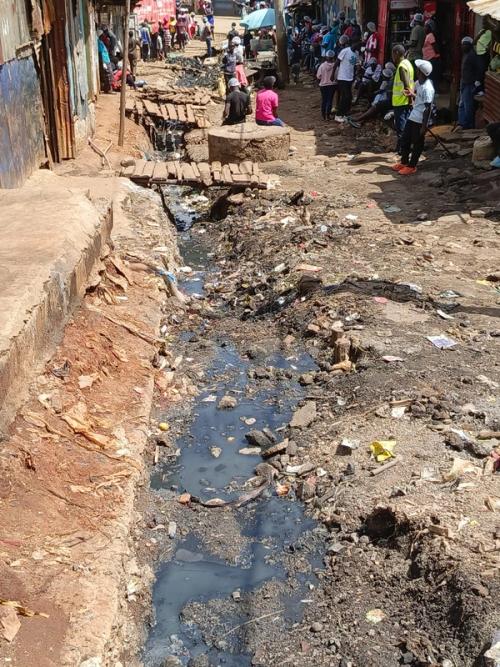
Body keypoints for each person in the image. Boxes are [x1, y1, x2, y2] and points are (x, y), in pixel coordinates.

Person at [393, 59, 434, 175]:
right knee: (405, 139)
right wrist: (412, 94)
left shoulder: (427, 88)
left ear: (421, 72)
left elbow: (428, 108)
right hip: (413, 115)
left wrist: (424, 126)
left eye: (418, 69)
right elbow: (419, 97)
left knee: (417, 143)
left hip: (420, 119)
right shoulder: (418, 83)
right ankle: (404, 161)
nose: (416, 71)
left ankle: (412, 165)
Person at [391, 43, 414, 153]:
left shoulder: (401, 67)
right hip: (405, 101)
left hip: (401, 102)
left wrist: (410, 100)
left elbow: (406, 86)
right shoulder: (408, 63)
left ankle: (403, 151)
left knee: (401, 128)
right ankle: (401, 148)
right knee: (405, 128)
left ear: (396, 53)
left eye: (393, 54)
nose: (392, 57)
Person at [331, 34, 357, 123]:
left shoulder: (356, 54)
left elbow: (354, 66)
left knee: (349, 97)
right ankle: (338, 115)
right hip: (342, 77)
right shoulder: (345, 51)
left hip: (350, 78)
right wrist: (332, 74)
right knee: (345, 97)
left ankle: (345, 114)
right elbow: (336, 63)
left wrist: (354, 76)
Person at [458, 36, 480, 129]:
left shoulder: (472, 55)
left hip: (469, 83)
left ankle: (468, 125)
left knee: (468, 106)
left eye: (465, 45)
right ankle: (462, 123)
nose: (463, 47)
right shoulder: (466, 54)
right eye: (462, 45)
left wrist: (477, 81)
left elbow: (479, 69)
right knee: (462, 104)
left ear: (470, 45)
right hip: (464, 82)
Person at [317, 50, 336, 120]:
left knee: (324, 100)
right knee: (330, 100)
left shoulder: (322, 66)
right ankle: (328, 115)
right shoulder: (335, 66)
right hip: (332, 85)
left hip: (323, 85)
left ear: (326, 57)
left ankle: (323, 115)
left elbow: (318, 76)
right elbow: (336, 76)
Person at [474, 17, 492, 87]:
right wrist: (480, 33)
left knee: (482, 70)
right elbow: (474, 42)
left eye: (485, 22)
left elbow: (492, 42)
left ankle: (481, 87)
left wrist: (488, 48)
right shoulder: (482, 31)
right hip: (478, 53)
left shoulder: (490, 32)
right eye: (483, 22)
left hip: (484, 53)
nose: (483, 24)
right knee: (479, 69)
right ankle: (479, 86)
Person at [422, 21, 440, 89]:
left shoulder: (430, 35)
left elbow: (435, 46)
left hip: (431, 58)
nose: (424, 28)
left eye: (426, 26)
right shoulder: (427, 36)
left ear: (430, 28)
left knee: (431, 76)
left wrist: (437, 56)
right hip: (428, 59)